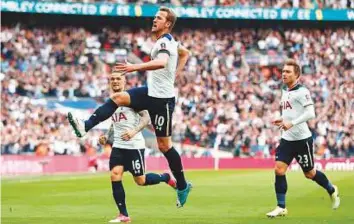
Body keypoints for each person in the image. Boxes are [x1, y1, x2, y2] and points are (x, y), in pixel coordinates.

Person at [67, 6, 192, 207]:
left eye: (159, 18)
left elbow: (161, 62)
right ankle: (85, 125)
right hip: (150, 91)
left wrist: (135, 67)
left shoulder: (165, 42)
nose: (154, 20)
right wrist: (173, 75)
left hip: (162, 100)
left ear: (167, 24)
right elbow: (185, 54)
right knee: (118, 99)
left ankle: (183, 185)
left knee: (164, 146)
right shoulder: (169, 42)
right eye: (155, 17)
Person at [266, 59, 340, 218]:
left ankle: (331, 189)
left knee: (310, 174)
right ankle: (281, 207)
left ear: (297, 75)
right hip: (286, 139)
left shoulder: (302, 91)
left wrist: (291, 123)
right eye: (283, 71)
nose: (284, 74)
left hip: (302, 140)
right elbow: (291, 112)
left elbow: (310, 113)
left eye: (288, 72)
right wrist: (282, 119)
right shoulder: (285, 91)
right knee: (279, 169)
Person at [101, 71, 177, 223]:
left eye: (118, 79)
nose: (115, 81)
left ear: (124, 81)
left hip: (134, 146)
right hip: (118, 146)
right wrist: (107, 135)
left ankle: (165, 177)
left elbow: (147, 117)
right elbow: (115, 122)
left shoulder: (131, 99)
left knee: (140, 181)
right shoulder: (112, 101)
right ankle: (123, 214)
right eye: (113, 79)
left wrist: (133, 131)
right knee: (115, 174)